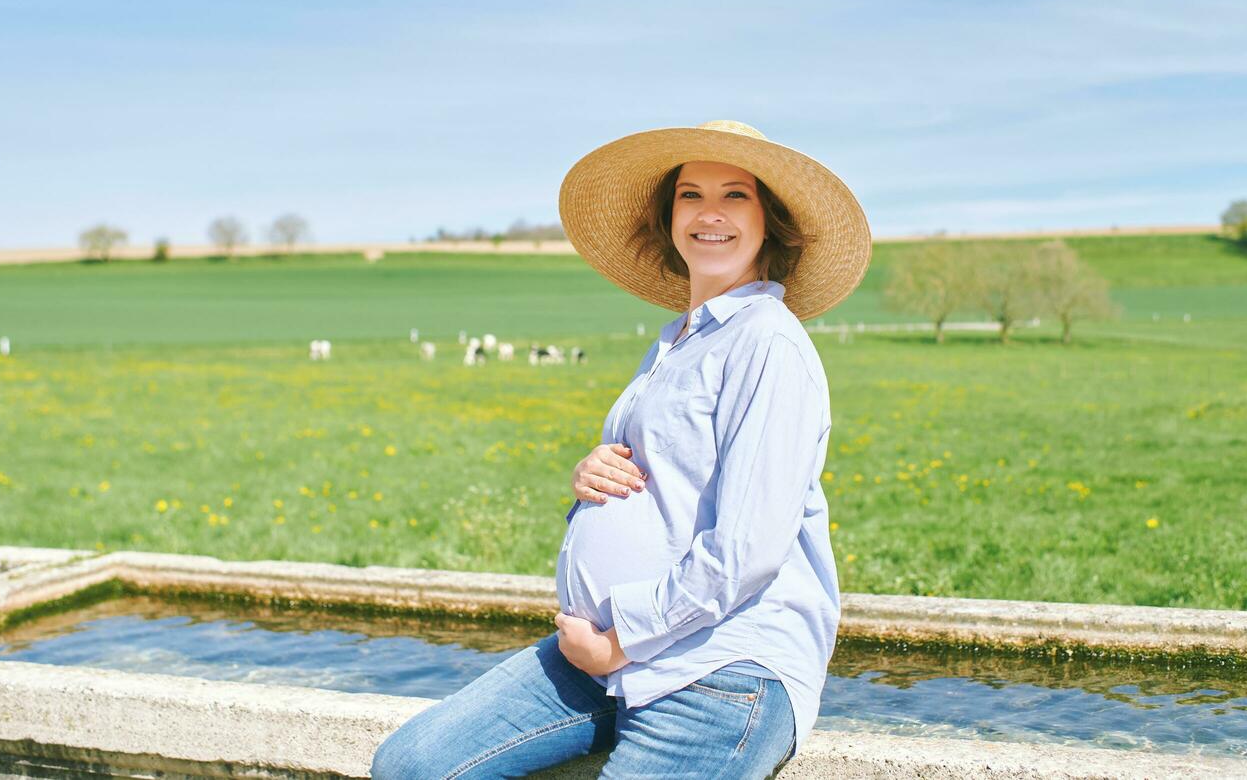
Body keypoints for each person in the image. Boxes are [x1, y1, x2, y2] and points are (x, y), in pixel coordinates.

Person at [371, 120, 872, 779]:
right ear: (668, 219)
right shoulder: (677, 342)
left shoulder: (766, 342)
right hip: (607, 660)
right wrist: (594, 472)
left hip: (714, 666)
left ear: (770, 222)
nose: (709, 213)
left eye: (735, 196)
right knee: (412, 766)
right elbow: (667, 476)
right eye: (690, 196)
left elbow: (747, 551)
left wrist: (616, 640)